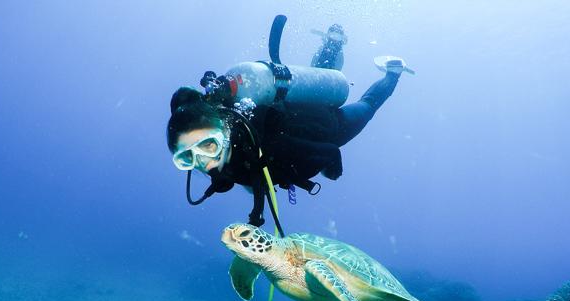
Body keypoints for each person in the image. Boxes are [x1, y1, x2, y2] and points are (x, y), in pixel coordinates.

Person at [167, 25, 411, 228]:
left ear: (225, 130)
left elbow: (330, 151)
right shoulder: (228, 149)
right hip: (290, 110)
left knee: (367, 106)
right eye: (186, 157)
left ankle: (393, 71)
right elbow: (251, 174)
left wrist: (333, 169)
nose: (202, 161)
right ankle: (333, 43)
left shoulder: (271, 146)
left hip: (325, 126)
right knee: (325, 73)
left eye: (209, 146)